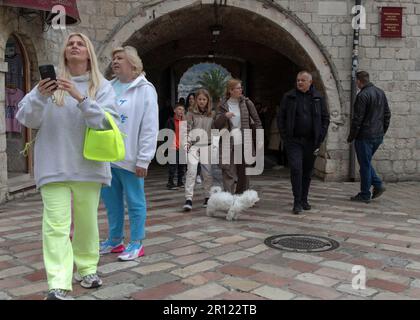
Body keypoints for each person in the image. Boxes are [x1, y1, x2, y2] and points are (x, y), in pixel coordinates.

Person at [16, 33, 119, 300]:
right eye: (70, 43)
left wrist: (80, 97)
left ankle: (86, 268)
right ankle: (58, 282)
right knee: (56, 225)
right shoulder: (47, 86)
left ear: (88, 53)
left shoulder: (102, 86)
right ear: (64, 53)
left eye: (80, 43)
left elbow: (109, 124)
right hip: (53, 164)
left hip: (89, 166)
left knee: (86, 223)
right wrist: (39, 95)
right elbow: (26, 118)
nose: (74, 45)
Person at [100, 46, 159, 261]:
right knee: (111, 202)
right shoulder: (107, 87)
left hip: (131, 159)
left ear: (132, 64)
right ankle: (115, 240)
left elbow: (150, 126)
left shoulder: (145, 89)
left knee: (135, 201)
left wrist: (144, 158)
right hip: (107, 157)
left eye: (120, 58)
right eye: (113, 58)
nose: (115, 61)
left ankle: (136, 242)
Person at [278, 71, 330, 214]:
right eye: (298, 80)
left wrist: (320, 136)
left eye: (302, 80)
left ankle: (304, 199)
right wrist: (285, 136)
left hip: (311, 142)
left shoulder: (318, 98)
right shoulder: (289, 97)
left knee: (307, 171)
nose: (299, 82)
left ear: (310, 82)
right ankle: (297, 201)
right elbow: (281, 117)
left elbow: (325, 118)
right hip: (293, 141)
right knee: (296, 169)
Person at [347, 71, 391, 203]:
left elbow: (357, 120)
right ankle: (377, 185)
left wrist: (351, 136)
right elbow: (387, 115)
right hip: (377, 136)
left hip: (364, 136)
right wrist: (382, 131)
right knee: (366, 162)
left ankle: (366, 193)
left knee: (365, 165)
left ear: (359, 81)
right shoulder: (380, 92)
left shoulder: (362, 95)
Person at [213, 79, 263, 195]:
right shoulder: (222, 105)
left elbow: (257, 121)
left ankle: (241, 195)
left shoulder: (247, 103)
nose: (241, 90)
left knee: (244, 171)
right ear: (231, 90)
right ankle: (228, 197)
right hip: (227, 142)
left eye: (241, 88)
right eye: (238, 88)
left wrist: (259, 138)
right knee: (228, 171)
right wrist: (225, 116)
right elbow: (216, 125)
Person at [183, 89, 214, 211]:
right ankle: (188, 198)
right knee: (191, 171)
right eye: (200, 99)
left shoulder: (212, 114)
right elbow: (186, 128)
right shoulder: (190, 113)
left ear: (208, 101)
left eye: (204, 99)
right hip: (194, 145)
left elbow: (215, 129)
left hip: (207, 144)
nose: (202, 101)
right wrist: (186, 142)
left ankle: (208, 196)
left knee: (207, 173)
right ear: (196, 100)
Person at [166, 102, 187, 190]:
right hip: (173, 147)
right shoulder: (170, 121)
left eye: (182, 110)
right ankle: (170, 183)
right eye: (179, 109)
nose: (181, 111)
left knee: (181, 166)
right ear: (175, 110)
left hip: (182, 147)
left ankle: (180, 182)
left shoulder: (184, 122)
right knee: (173, 166)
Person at [185, 92, 202, 184]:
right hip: (187, 135)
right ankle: (189, 173)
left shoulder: (198, 111)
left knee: (197, 156)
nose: (191, 100)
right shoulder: (185, 110)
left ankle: (198, 174)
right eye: (190, 99)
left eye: (193, 99)